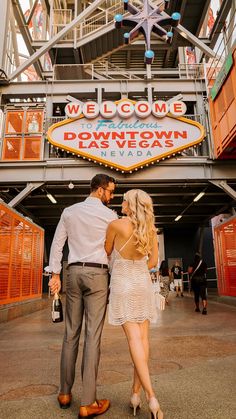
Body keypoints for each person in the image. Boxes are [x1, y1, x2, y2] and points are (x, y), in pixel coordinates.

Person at [48, 173, 117, 417]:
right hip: (98, 275)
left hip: (73, 272)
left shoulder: (69, 211)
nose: (111, 196)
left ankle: (64, 393)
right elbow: (113, 251)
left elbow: (58, 244)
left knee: (70, 334)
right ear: (99, 190)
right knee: (92, 337)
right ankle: (88, 402)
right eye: (110, 192)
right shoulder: (111, 216)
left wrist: (54, 274)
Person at [105, 189, 164, 419]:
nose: (121, 203)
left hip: (123, 283)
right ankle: (135, 394)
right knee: (143, 339)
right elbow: (152, 261)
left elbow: (107, 251)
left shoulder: (116, 225)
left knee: (133, 340)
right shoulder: (150, 229)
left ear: (131, 205)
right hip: (142, 283)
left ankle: (151, 397)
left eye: (124, 200)